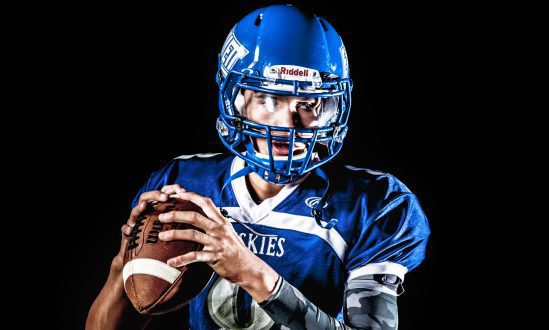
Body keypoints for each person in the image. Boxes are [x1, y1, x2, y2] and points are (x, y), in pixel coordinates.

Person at [86, 4, 430, 329]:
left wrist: (248, 269)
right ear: (238, 102)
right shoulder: (185, 183)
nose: (288, 122)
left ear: (333, 109)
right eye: (268, 99)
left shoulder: (375, 204)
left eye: (308, 103)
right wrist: (125, 263)